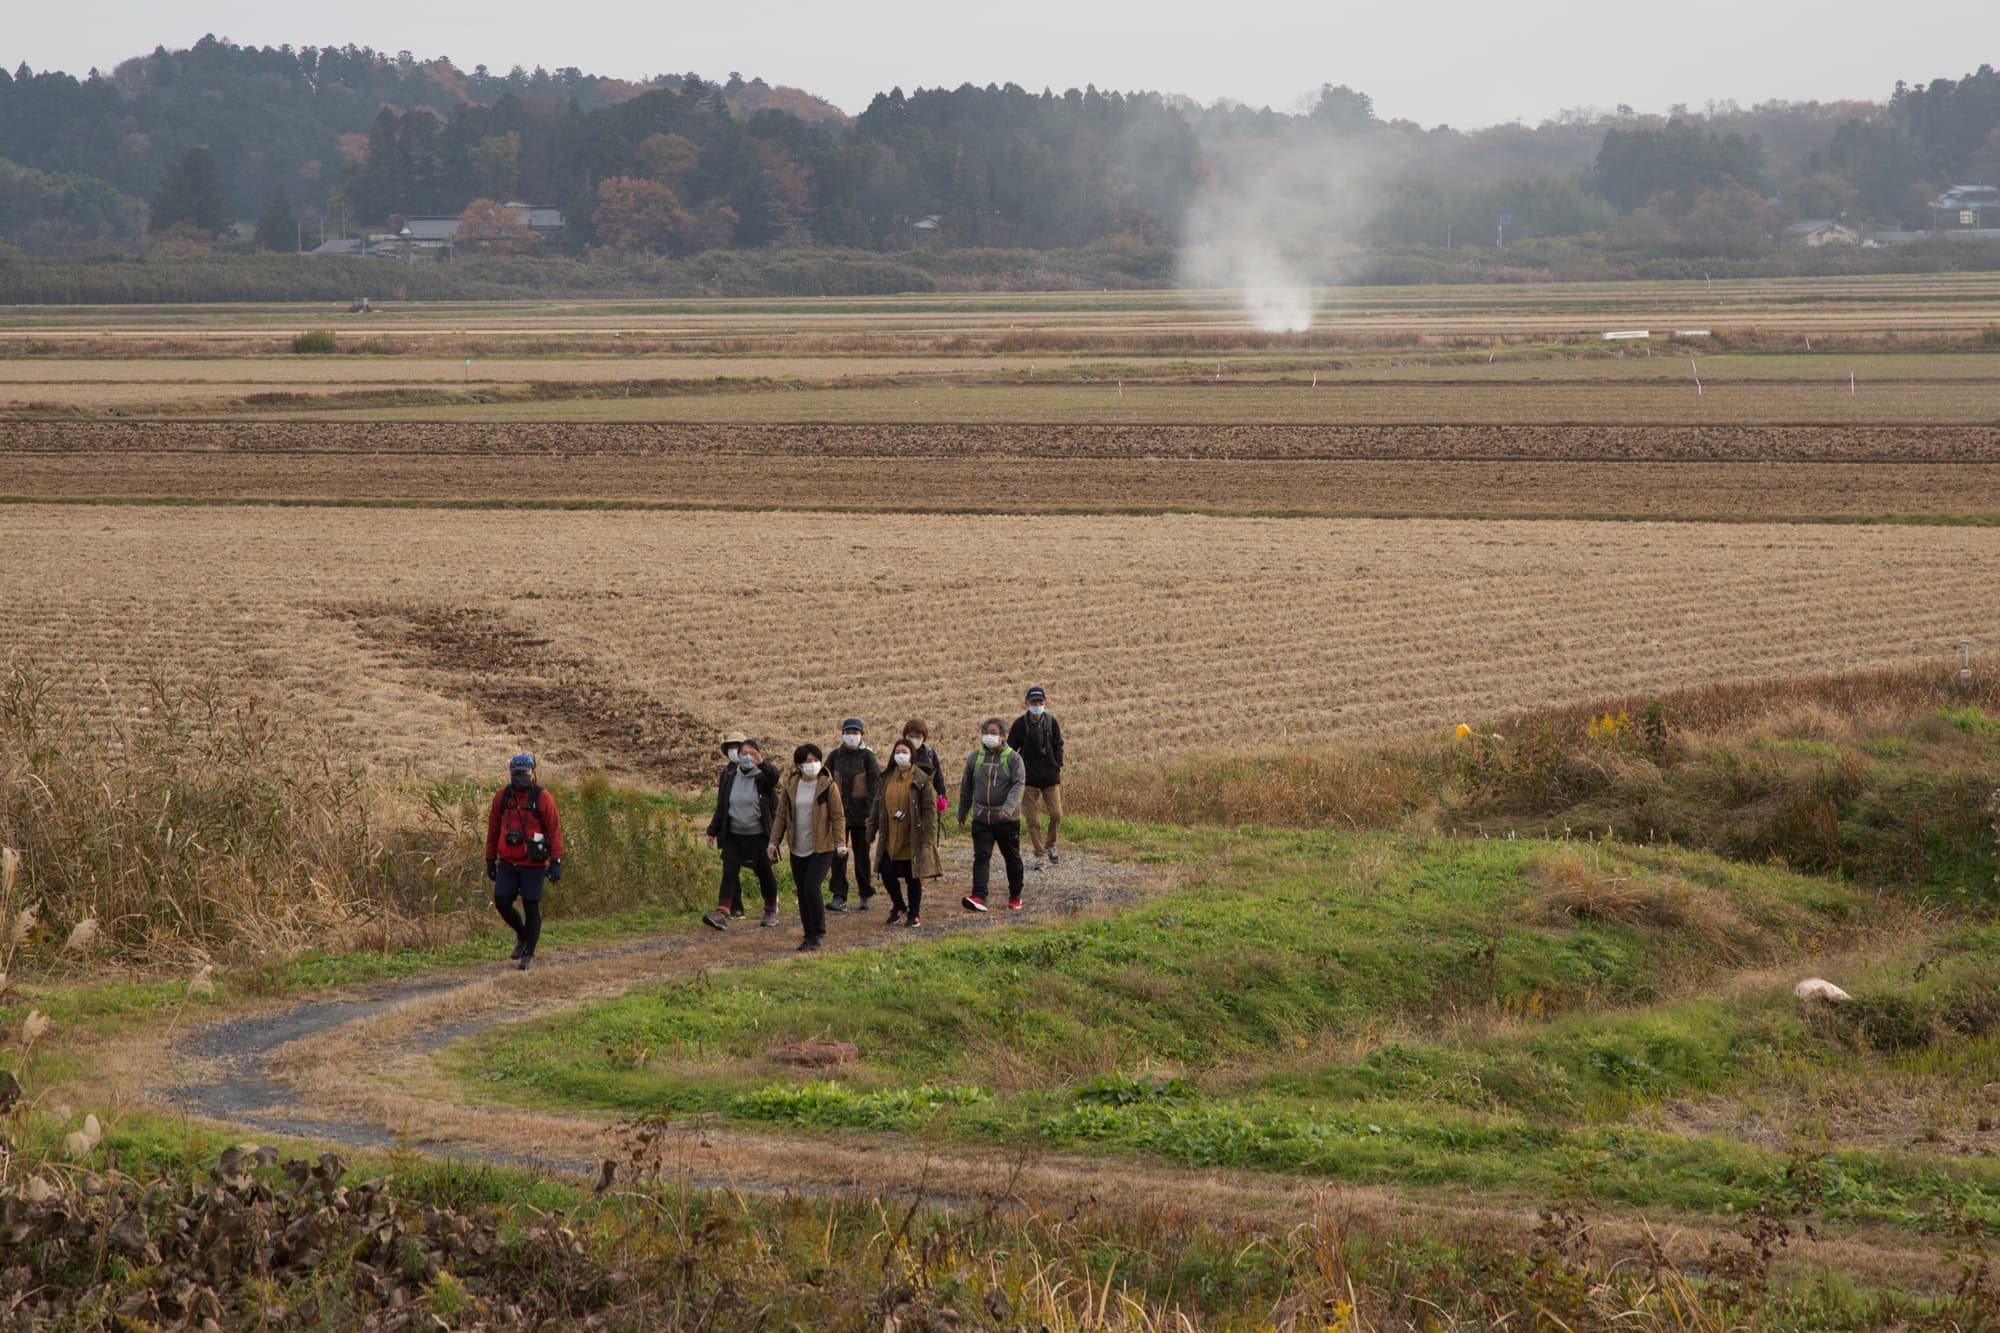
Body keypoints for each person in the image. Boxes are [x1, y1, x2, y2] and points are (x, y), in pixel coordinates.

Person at [484, 753, 563, 970]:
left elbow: (554, 829)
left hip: (534, 863)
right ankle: (521, 935)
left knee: (531, 906)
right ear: (510, 774)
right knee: (501, 901)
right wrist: (490, 859)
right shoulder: (502, 797)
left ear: (533, 773)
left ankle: (528, 953)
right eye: (516, 774)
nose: (520, 778)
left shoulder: (543, 798)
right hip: (508, 861)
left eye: (524, 774)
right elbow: (493, 830)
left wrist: (556, 860)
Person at [767, 743, 847, 952]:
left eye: (815, 760)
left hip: (822, 847)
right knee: (802, 892)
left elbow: (838, 816)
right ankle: (808, 934)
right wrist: (773, 841)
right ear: (798, 765)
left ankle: (819, 932)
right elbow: (781, 816)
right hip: (797, 846)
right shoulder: (791, 786)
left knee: (812, 887)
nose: (812, 765)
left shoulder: (828, 785)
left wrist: (840, 843)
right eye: (807, 761)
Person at [703, 737, 781, 930]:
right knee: (729, 871)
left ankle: (771, 909)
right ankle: (722, 912)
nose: (746, 757)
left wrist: (760, 762)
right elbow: (722, 805)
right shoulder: (730, 776)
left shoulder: (762, 777)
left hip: (758, 835)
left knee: (764, 872)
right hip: (733, 834)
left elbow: (774, 777)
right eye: (743, 754)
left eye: (751, 754)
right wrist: (712, 830)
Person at [868, 738, 943, 927]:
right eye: (897, 751)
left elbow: (929, 811)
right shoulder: (886, 778)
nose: (900, 755)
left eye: (905, 752)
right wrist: (871, 831)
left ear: (912, 755)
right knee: (885, 870)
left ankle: (914, 913)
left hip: (912, 836)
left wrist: (928, 838)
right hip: (890, 835)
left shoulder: (921, 779)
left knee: (912, 877)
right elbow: (877, 806)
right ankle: (899, 905)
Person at [958, 718, 1026, 912]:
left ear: (1003, 736)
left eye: (994, 732)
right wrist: (963, 812)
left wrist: (1008, 808)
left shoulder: (1013, 759)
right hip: (981, 818)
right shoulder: (975, 758)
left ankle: (1015, 895)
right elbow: (966, 787)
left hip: (1006, 820)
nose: (989, 735)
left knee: (1011, 858)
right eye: (987, 731)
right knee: (981, 857)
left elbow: (1018, 785)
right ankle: (979, 896)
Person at [826, 717, 882, 913]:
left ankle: (865, 893)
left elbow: (876, 784)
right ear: (842, 734)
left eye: (855, 733)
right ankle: (839, 896)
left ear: (861, 735)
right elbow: (825, 780)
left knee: (862, 857)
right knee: (838, 856)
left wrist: (872, 812)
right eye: (848, 732)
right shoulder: (835, 756)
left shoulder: (867, 757)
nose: (851, 736)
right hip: (839, 815)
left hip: (863, 816)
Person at [1008, 686, 1067, 867]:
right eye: (1034, 702)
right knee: (1032, 819)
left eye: (1040, 702)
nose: (1037, 705)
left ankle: (1051, 844)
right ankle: (1040, 853)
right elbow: (1011, 750)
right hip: (1028, 780)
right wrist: (1016, 772)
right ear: (1027, 703)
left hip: (1050, 777)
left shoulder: (1051, 722)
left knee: (1057, 814)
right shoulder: (1019, 725)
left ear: (1045, 702)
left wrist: (1057, 764)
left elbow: (1059, 744)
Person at [900, 718, 950, 815]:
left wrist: (942, 796)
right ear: (905, 736)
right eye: (911, 736)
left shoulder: (929, 754)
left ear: (924, 738)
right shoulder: (900, 753)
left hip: (926, 802)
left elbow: (938, 778)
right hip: (904, 803)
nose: (914, 739)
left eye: (918, 736)